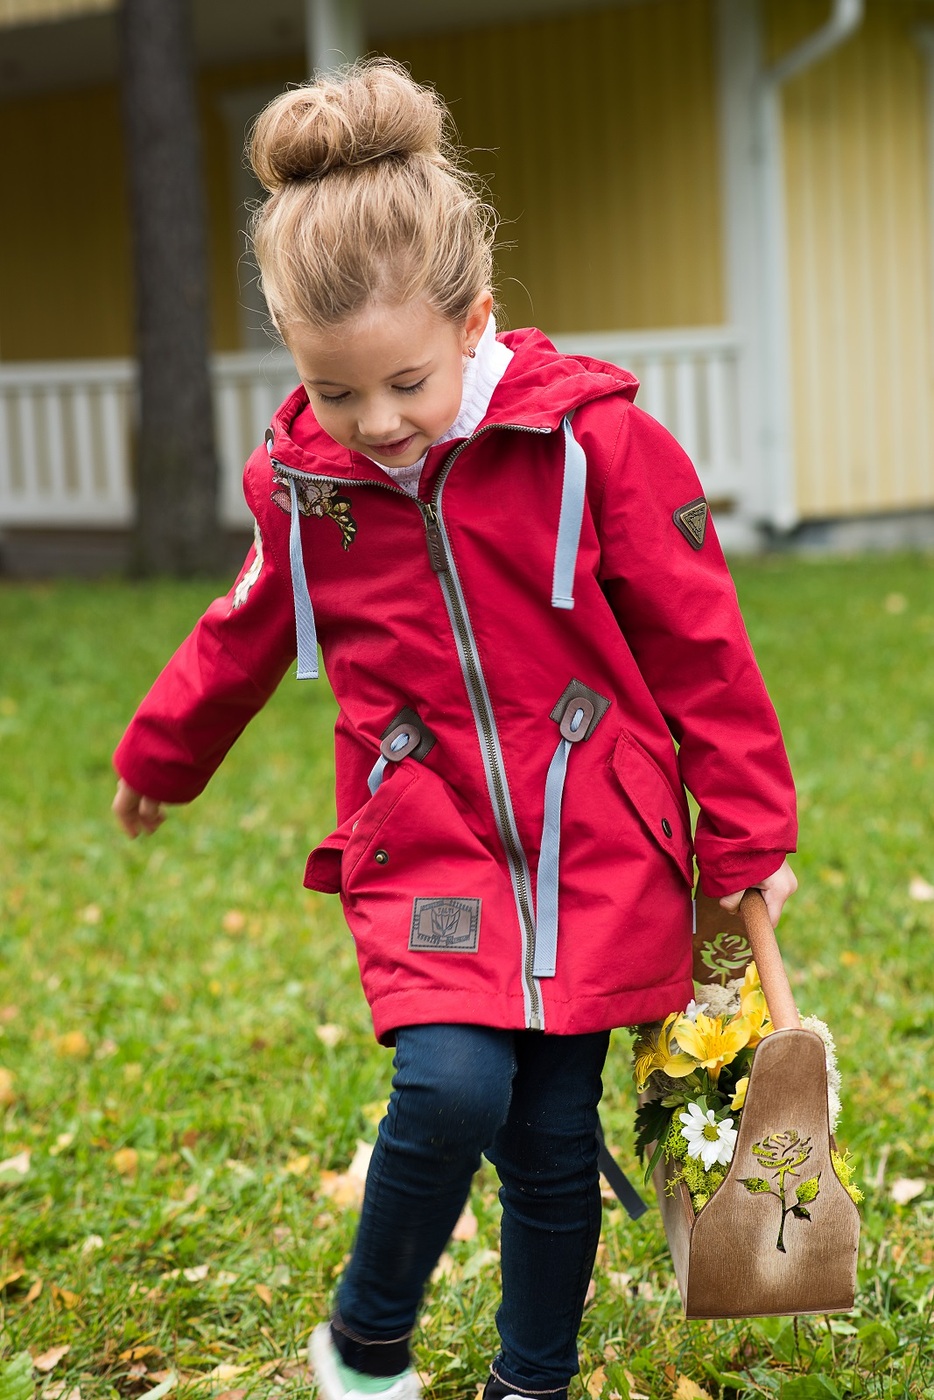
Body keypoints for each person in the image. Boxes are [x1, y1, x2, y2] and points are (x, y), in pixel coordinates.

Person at [112, 59, 797, 1400]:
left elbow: (700, 643)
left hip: (594, 844)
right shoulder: (308, 485)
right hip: (423, 836)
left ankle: (526, 1380)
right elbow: (245, 626)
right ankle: (366, 1338)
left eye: (405, 385)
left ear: (476, 317)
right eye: (334, 392)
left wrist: (747, 833)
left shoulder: (594, 447)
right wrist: (162, 754)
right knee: (449, 1089)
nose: (373, 427)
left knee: (550, 1135)